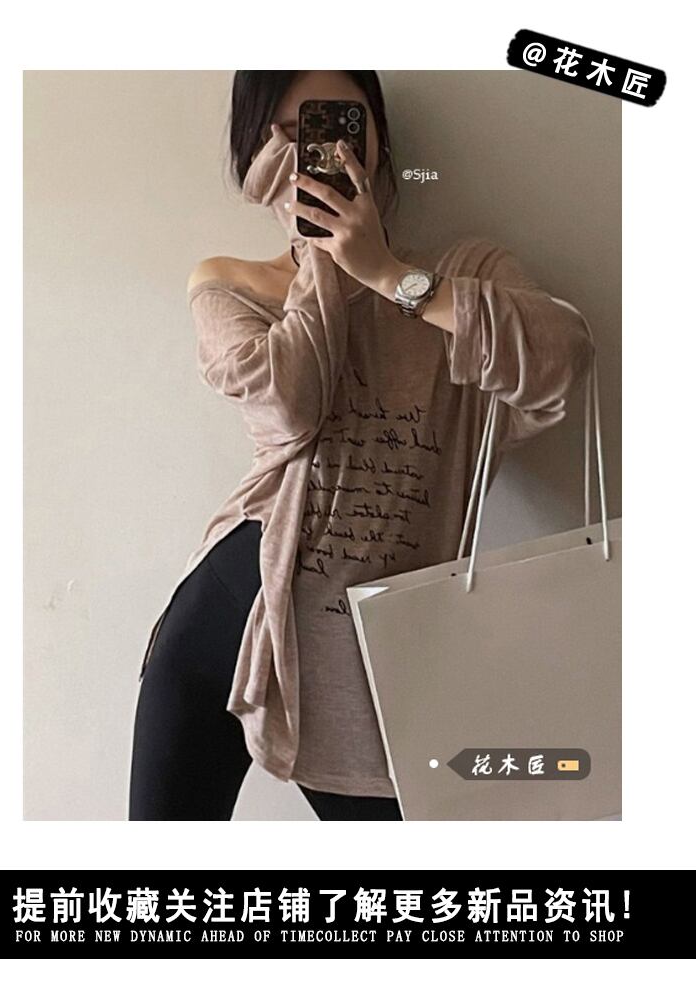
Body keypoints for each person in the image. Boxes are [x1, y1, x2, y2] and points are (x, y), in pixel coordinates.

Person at [128, 70, 594, 821]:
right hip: (231, 607)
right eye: (286, 135)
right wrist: (321, 255)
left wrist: (388, 275)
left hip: (373, 645)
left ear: (377, 140)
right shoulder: (229, 283)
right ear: (254, 158)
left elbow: (563, 358)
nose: (313, 151)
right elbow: (292, 408)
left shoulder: (463, 277)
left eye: (335, 123)